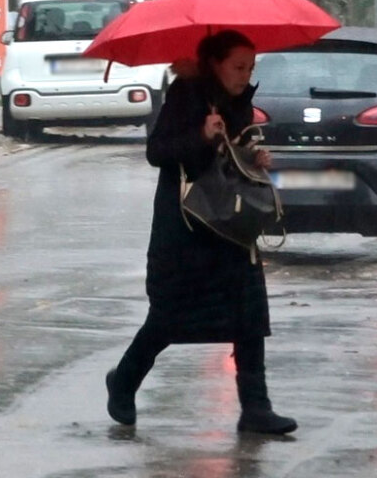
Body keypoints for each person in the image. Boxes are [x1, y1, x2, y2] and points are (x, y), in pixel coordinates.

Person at [105, 30, 297, 435]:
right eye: (238, 67)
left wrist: (253, 154)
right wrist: (201, 135)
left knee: (248, 315)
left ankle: (256, 407)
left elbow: (234, 156)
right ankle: (122, 382)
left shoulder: (237, 101)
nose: (246, 75)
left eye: (250, 67)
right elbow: (157, 151)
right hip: (187, 227)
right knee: (169, 317)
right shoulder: (187, 93)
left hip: (230, 225)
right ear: (216, 63)